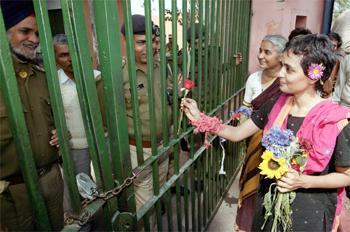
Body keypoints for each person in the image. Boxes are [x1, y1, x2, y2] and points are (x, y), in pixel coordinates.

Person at [182, 34, 350, 231]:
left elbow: (346, 176)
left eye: (289, 69)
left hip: (308, 213)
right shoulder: (276, 104)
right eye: (282, 66)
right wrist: (199, 118)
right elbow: (237, 134)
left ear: (313, 75)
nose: (280, 74)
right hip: (268, 203)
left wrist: (303, 181)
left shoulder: (335, 120)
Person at [0, 1, 64, 230]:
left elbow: (53, 119)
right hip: (13, 194)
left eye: (36, 33)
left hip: (51, 179)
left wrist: (59, 132)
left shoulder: (42, 76)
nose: (35, 39)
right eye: (25, 31)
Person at [118, 14, 172, 216]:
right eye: (141, 43)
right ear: (125, 42)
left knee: (159, 195)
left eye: (151, 41)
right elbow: (109, 120)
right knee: (145, 208)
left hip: (165, 145)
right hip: (139, 152)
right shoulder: (119, 74)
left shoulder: (162, 67)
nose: (148, 48)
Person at [235, 34, 287, 232]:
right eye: (260, 51)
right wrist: (243, 136)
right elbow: (245, 108)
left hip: (277, 144)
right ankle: (245, 224)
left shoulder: (286, 81)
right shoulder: (253, 79)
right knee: (250, 181)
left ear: (281, 56)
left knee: (269, 184)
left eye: (267, 52)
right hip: (253, 139)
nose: (261, 56)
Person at [53, 34, 101, 212]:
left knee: (105, 188)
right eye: (63, 55)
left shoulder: (97, 78)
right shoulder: (53, 84)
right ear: (55, 59)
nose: (70, 59)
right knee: (80, 191)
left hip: (101, 144)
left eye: (72, 53)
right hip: (75, 148)